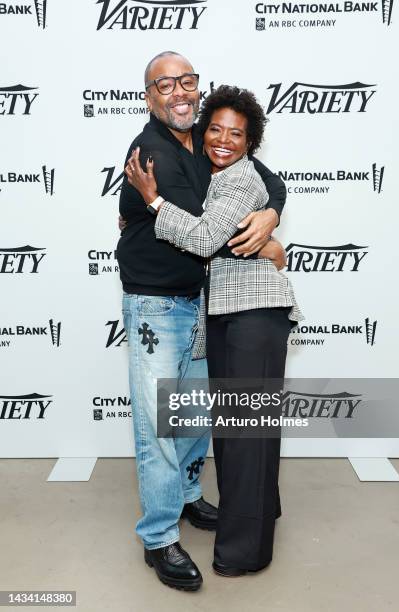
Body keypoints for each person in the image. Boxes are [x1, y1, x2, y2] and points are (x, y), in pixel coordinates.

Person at [117, 51, 288, 591]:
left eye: (187, 82)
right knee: (160, 430)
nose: (180, 92)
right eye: (165, 85)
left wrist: (270, 211)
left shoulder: (198, 145)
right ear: (149, 97)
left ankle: (188, 499)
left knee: (190, 419)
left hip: (195, 302)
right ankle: (160, 537)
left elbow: (263, 177)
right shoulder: (153, 154)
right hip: (156, 305)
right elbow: (203, 231)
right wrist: (262, 238)